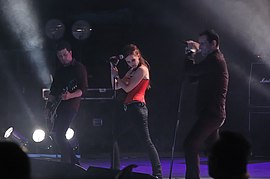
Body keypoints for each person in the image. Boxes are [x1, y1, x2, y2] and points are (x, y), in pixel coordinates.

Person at [110, 44, 162, 179]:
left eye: (133, 60)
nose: (131, 63)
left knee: (146, 141)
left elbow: (127, 89)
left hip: (138, 108)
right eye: (128, 62)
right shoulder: (131, 71)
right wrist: (112, 71)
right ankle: (114, 170)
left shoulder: (142, 70)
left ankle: (158, 173)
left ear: (138, 55)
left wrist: (118, 77)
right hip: (129, 108)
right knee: (114, 135)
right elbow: (115, 87)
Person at [183, 29, 229, 179]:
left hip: (212, 114)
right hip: (211, 113)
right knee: (213, 150)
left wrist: (191, 52)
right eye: (200, 43)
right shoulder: (212, 60)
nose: (200, 46)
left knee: (190, 145)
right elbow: (192, 77)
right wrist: (192, 54)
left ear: (213, 43)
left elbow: (190, 71)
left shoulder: (214, 60)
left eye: (203, 44)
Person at [44, 41, 88, 165]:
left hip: (71, 105)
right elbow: (53, 91)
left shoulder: (79, 68)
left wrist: (70, 95)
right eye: (60, 56)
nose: (63, 58)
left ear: (70, 53)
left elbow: (83, 89)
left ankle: (67, 163)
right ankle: (74, 162)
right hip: (58, 107)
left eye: (64, 55)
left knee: (60, 133)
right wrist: (48, 107)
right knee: (56, 134)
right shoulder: (59, 71)